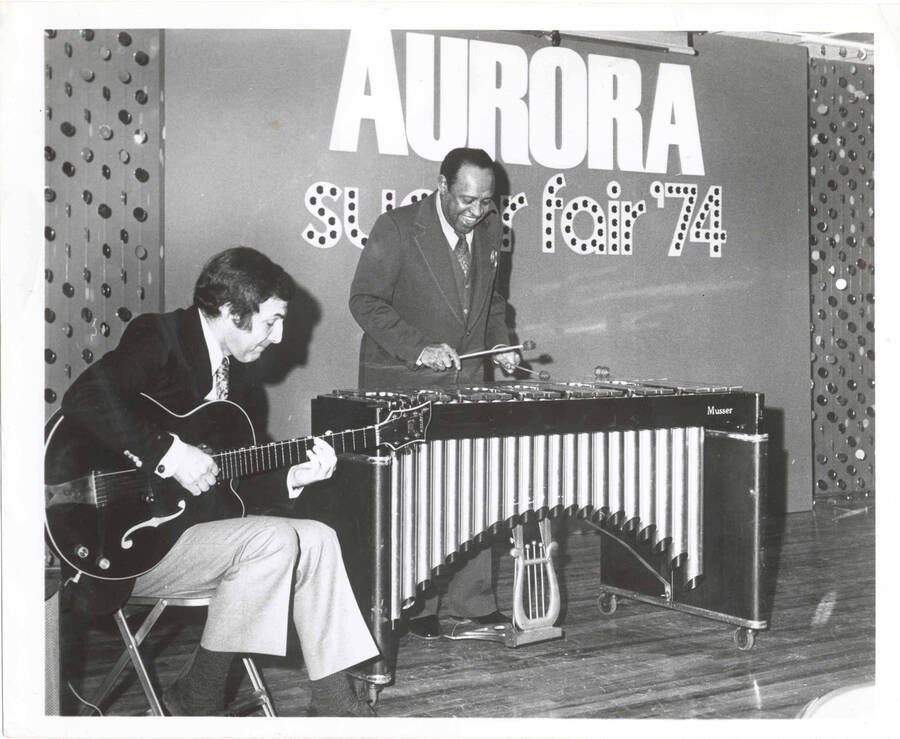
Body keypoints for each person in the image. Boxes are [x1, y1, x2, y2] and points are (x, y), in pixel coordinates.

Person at [60, 247, 379, 717]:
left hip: (191, 535)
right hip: (125, 540)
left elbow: (230, 483)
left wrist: (294, 475)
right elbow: (84, 397)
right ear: (232, 311)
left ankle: (336, 706)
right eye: (272, 321)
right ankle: (197, 695)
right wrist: (168, 452)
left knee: (318, 538)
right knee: (273, 541)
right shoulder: (161, 337)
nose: (280, 337)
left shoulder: (240, 379)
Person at [349, 147, 520, 640]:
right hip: (405, 382)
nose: (476, 211)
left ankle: (474, 603)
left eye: (486, 202)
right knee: (417, 499)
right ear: (441, 186)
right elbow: (364, 301)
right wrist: (419, 348)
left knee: (476, 491)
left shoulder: (491, 231)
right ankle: (416, 606)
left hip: (468, 384)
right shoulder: (398, 228)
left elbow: (491, 303)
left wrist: (500, 342)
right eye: (466, 199)